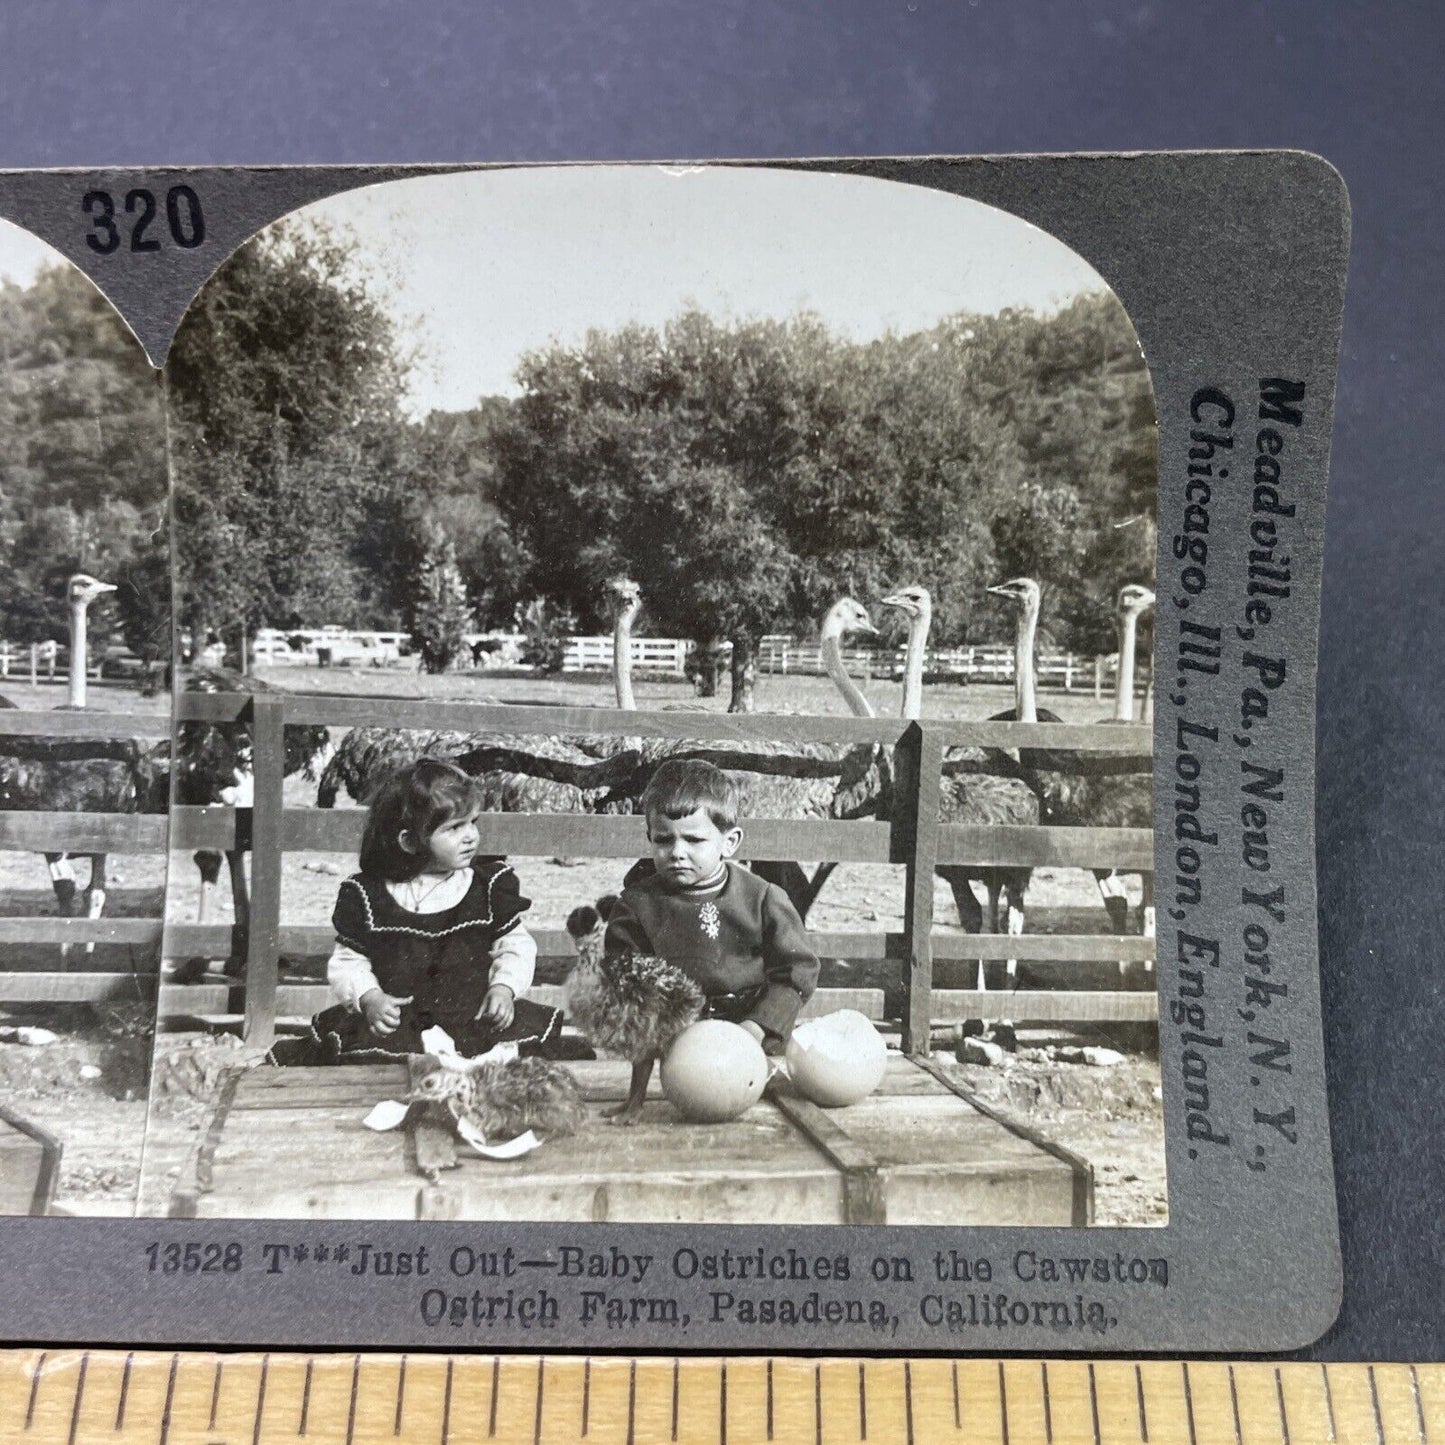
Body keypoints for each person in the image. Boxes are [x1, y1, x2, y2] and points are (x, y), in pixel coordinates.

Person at [272, 757, 561, 1064]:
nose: (470, 836)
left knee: (509, 1058)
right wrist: (370, 997)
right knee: (383, 1062)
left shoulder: (486, 886)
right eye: (454, 828)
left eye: (473, 822)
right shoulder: (369, 894)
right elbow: (349, 961)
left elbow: (515, 945)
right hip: (401, 1022)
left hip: (473, 1017)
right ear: (410, 841)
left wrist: (504, 988)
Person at [605, 759, 819, 1056]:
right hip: (670, 1043)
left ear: (729, 842)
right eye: (663, 840)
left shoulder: (762, 899)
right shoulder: (637, 906)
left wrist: (757, 1027)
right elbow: (625, 979)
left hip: (752, 1039)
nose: (677, 853)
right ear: (649, 839)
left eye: (694, 840)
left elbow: (797, 971)